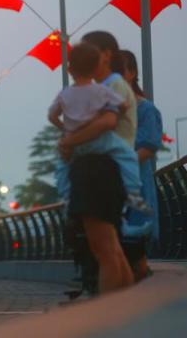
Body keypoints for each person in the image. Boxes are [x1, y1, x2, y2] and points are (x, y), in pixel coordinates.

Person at [59, 32, 136, 294]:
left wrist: (69, 140)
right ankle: (126, 313)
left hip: (96, 170)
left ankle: (109, 317)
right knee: (111, 248)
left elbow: (108, 122)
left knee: (104, 249)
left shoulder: (106, 87)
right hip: (104, 170)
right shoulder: (106, 89)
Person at [49, 42, 142, 204]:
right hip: (99, 142)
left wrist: (66, 129)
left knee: (62, 168)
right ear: (95, 69)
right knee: (127, 156)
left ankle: (66, 198)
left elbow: (52, 116)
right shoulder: (101, 91)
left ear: (69, 70)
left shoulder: (64, 94)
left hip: (76, 146)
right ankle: (133, 192)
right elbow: (123, 105)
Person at [121, 50, 163, 280]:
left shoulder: (146, 109)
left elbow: (148, 147)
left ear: (133, 73)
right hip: (112, 186)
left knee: (135, 250)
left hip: (135, 185)